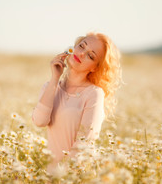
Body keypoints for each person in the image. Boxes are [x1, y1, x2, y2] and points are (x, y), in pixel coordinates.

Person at [31, 32, 122, 174]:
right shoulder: (50, 86)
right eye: (81, 47)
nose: (81, 54)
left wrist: (64, 179)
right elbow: (39, 121)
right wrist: (55, 78)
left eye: (90, 56)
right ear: (73, 47)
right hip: (49, 175)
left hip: (75, 177)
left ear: (95, 68)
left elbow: (84, 144)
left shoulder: (94, 94)